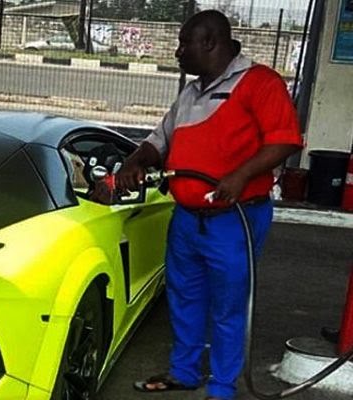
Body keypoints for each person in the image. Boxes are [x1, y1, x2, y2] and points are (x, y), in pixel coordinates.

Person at [95, 10, 303, 400]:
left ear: (210, 42)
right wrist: (136, 162)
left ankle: (222, 387)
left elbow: (286, 140)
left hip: (234, 218)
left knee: (227, 304)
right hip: (188, 219)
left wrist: (240, 175)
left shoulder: (259, 83)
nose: (178, 52)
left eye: (184, 43)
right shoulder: (191, 93)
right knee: (184, 295)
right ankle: (185, 372)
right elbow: (159, 141)